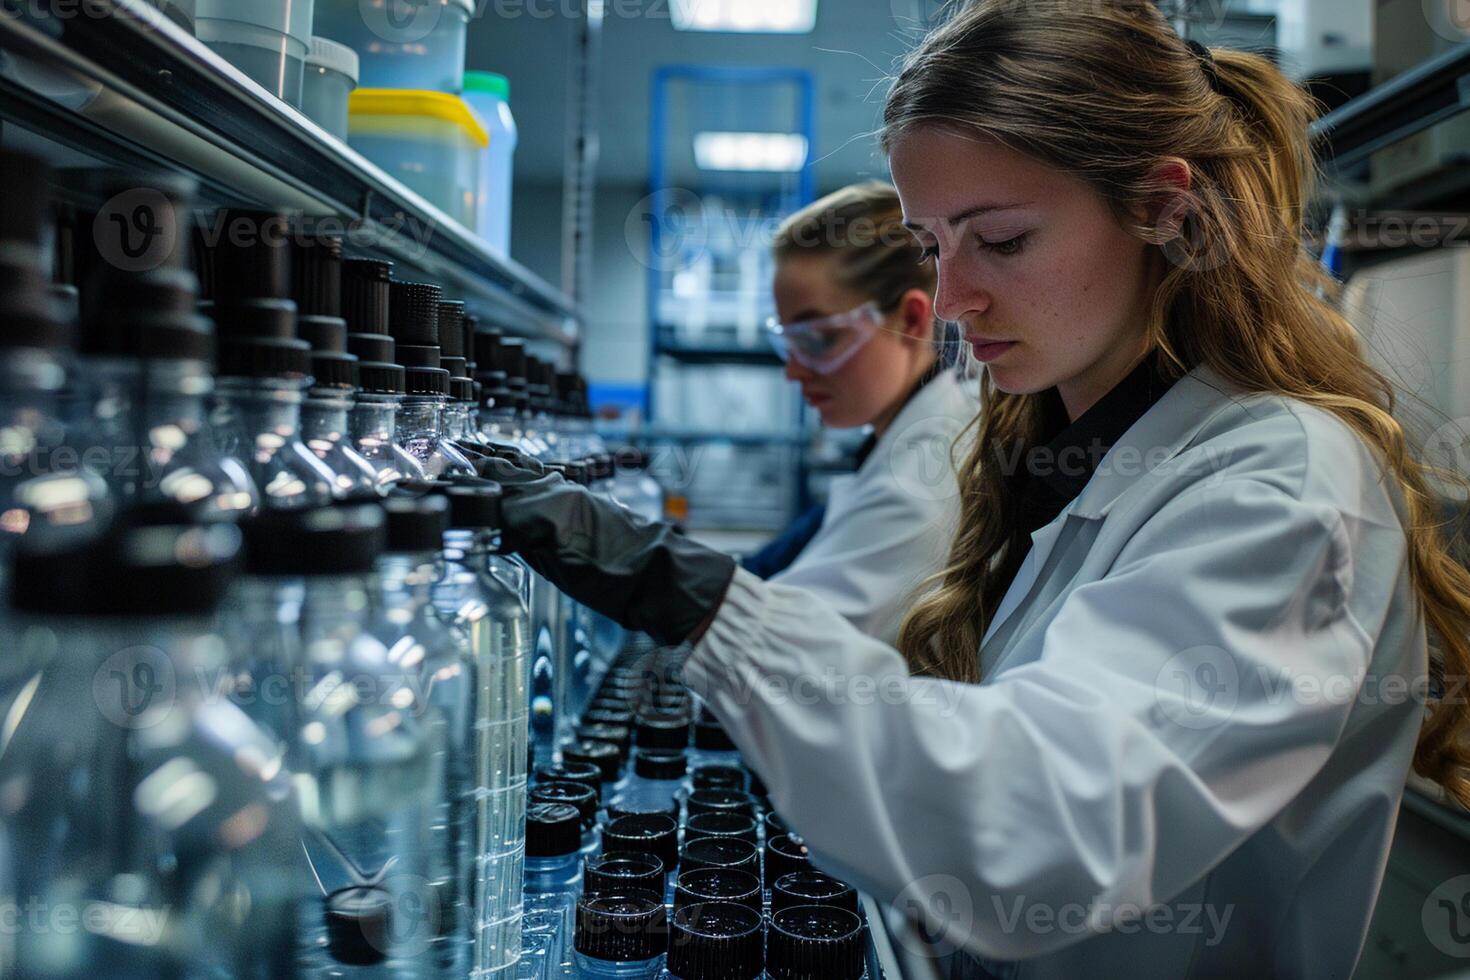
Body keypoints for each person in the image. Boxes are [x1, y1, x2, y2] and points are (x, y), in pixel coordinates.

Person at [478, 1, 1470, 976]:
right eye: (933, 246)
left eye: (1000, 240)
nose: (952, 300)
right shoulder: (1084, 455)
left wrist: (692, 596)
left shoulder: (1281, 481)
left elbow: (1036, 825)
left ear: (1164, 209)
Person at [743, 181, 976, 644]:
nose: (793, 371)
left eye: (818, 339)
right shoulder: (896, 445)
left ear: (911, 319)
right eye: (788, 341)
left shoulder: (922, 483)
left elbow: (773, 650)